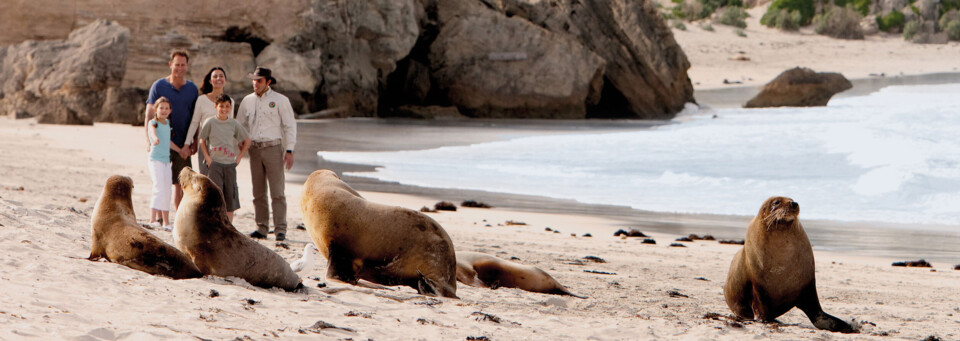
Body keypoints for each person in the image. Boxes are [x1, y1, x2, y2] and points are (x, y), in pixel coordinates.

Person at [236, 67, 297, 241]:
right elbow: (240, 124)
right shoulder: (247, 101)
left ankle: (280, 229)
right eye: (254, 80)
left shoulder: (280, 100)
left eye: (259, 80)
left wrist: (290, 150)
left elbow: (289, 126)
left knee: (277, 191)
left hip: (273, 148)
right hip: (254, 149)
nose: (255, 84)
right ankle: (261, 227)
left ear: (268, 82)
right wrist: (241, 142)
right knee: (258, 192)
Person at [144, 49, 199, 210]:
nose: (179, 68)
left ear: (187, 66)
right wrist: (149, 141)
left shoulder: (192, 89)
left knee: (181, 184)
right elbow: (148, 116)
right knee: (162, 182)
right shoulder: (159, 86)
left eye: (183, 65)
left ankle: (178, 218)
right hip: (161, 143)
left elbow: (195, 119)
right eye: (177, 64)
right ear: (170, 65)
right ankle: (160, 217)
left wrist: (194, 141)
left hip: (183, 144)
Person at [199, 93, 250, 222]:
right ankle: (215, 223)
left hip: (229, 165)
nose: (224, 109)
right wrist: (207, 157)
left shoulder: (233, 124)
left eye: (227, 106)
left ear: (231, 108)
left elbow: (247, 140)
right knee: (215, 195)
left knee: (230, 195)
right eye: (221, 106)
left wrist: (239, 157)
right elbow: (202, 140)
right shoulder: (210, 122)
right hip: (215, 164)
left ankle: (229, 225)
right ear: (216, 106)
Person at [185, 66, 234, 175]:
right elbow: (194, 123)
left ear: (225, 80)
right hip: (205, 145)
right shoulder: (202, 100)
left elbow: (231, 126)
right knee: (206, 180)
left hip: (224, 146)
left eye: (221, 76)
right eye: (215, 76)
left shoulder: (231, 102)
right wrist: (187, 143)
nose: (218, 78)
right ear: (210, 81)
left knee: (222, 182)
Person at [146, 97, 184, 231]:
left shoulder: (167, 123)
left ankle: (166, 222)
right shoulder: (153, 123)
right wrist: (154, 138)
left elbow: (168, 141)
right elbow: (152, 132)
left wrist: (179, 150)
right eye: (161, 108)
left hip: (166, 161)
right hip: (155, 160)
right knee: (158, 187)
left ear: (170, 111)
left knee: (167, 189)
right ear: (155, 109)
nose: (164, 110)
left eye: (166, 108)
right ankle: (152, 219)